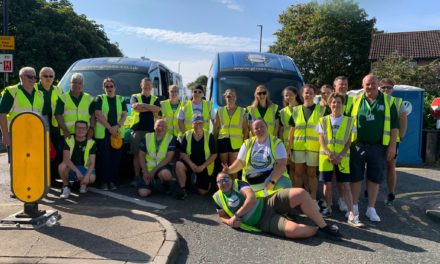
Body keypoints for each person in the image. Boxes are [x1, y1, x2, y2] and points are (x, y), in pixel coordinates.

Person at [213, 172, 342, 240]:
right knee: (295, 231)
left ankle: (324, 227)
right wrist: (229, 222)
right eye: (220, 181)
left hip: (268, 201)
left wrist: (236, 215)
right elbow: (221, 216)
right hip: (263, 221)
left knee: (301, 193)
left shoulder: (238, 183)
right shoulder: (217, 197)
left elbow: (251, 199)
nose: (223, 183)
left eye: (226, 179)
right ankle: (317, 231)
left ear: (231, 179)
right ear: (217, 184)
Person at [350, 74, 399, 222]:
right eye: (367, 84)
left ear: (377, 84)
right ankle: (354, 207)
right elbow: (347, 122)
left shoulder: (388, 101)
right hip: (357, 145)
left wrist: (392, 146)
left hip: (378, 146)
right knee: (356, 177)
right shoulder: (356, 100)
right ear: (363, 85)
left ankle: (371, 209)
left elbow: (395, 126)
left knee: (374, 178)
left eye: (372, 83)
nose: (369, 86)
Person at [0, 67, 49, 198]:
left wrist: (45, 134)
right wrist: (5, 135)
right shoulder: (12, 92)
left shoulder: (40, 94)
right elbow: (2, 114)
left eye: (34, 77)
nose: (33, 80)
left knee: (34, 162)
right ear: (21, 77)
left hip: (35, 136)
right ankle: (17, 189)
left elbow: (43, 116)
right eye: (29, 76)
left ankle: (33, 187)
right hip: (17, 135)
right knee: (18, 163)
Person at [317, 92, 364, 227]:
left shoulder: (349, 121)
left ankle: (352, 214)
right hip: (326, 157)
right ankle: (328, 208)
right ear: (329, 104)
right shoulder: (323, 120)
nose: (335, 104)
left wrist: (341, 155)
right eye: (333, 102)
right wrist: (329, 154)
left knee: (345, 186)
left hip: (342, 158)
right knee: (327, 184)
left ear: (342, 105)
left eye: (338, 102)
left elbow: (349, 140)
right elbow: (321, 139)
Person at [223, 119, 291, 198]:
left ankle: (279, 207)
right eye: (256, 128)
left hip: (270, 179)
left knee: (285, 185)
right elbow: (240, 162)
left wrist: (271, 182)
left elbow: (282, 164)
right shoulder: (247, 143)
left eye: (262, 126)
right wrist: (229, 170)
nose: (260, 129)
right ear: (252, 131)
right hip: (251, 180)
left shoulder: (277, 143)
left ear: (267, 127)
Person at [288, 84, 324, 202]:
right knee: (298, 173)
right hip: (298, 147)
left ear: (314, 95)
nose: (308, 95)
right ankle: (298, 198)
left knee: (312, 174)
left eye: (311, 93)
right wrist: (289, 148)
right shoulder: (296, 110)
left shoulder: (322, 110)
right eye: (306, 92)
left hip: (314, 147)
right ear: (302, 94)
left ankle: (313, 199)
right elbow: (291, 131)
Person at [94, 78, 127, 190]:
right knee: (105, 159)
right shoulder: (99, 98)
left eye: (111, 86)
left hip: (117, 134)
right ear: (104, 88)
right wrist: (109, 128)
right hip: (103, 134)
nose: (109, 88)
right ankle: (104, 182)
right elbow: (98, 114)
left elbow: (124, 115)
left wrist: (117, 126)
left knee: (115, 159)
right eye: (107, 86)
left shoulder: (121, 99)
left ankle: (112, 181)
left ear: (115, 87)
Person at [379, 78, 408, 205]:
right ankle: (370, 190)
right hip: (376, 140)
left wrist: (400, 138)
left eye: (389, 87)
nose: (386, 90)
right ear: (379, 88)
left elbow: (403, 121)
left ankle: (391, 193)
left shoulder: (397, 102)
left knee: (391, 165)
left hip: (392, 140)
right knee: (374, 165)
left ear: (392, 89)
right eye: (384, 87)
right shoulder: (375, 99)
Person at [176, 114, 217, 199]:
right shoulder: (187, 135)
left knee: (203, 192)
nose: (198, 125)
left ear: (203, 124)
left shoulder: (209, 135)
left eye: (200, 123)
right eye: (196, 123)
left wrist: (203, 166)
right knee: (178, 165)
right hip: (191, 163)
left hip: (204, 165)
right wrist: (191, 164)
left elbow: (214, 154)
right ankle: (183, 189)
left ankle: (204, 181)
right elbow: (182, 153)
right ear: (192, 124)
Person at [128, 77, 161, 183]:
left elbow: (157, 109)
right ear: (141, 85)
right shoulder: (135, 96)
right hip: (137, 130)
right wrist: (150, 108)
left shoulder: (155, 98)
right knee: (137, 155)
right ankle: (137, 177)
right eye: (145, 84)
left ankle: (148, 177)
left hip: (152, 131)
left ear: (152, 87)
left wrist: (143, 105)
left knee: (150, 155)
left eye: (149, 85)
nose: (147, 86)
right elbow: (135, 107)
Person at [34, 67, 64, 183]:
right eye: (45, 76)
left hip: (54, 128)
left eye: (51, 76)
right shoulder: (34, 88)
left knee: (54, 154)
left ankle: (51, 178)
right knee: (39, 155)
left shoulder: (58, 90)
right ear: (40, 77)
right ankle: (40, 178)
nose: (48, 78)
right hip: (38, 128)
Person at [213, 88, 248, 179]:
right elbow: (216, 128)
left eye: (232, 96)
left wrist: (245, 144)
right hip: (223, 142)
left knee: (233, 168)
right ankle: (225, 189)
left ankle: (235, 189)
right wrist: (214, 142)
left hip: (236, 143)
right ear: (225, 97)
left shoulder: (242, 111)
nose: (230, 98)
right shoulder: (220, 111)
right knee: (224, 168)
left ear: (235, 98)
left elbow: (245, 129)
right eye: (228, 96)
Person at [138, 119, 176, 197]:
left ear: (167, 128)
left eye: (163, 126)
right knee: (143, 194)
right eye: (158, 125)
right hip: (148, 169)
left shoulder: (171, 138)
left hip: (161, 168)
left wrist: (154, 171)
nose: (160, 128)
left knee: (165, 174)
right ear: (154, 127)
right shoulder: (147, 136)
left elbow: (168, 158)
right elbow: (141, 155)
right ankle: (150, 184)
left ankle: (166, 186)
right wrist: (145, 171)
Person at [59, 120, 97, 198]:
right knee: (61, 167)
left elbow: (92, 163)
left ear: (87, 130)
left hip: (84, 168)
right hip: (72, 168)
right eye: (78, 128)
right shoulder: (69, 139)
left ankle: (83, 184)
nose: (81, 130)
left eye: (83, 128)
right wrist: (76, 171)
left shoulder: (91, 142)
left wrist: (87, 176)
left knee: (92, 178)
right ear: (75, 129)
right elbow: (66, 159)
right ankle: (66, 186)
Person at [332, 76, 353, 212]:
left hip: (347, 143)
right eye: (341, 84)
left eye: (345, 84)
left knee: (344, 175)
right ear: (335, 86)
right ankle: (332, 199)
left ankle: (342, 199)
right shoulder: (330, 100)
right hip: (331, 145)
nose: (343, 86)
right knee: (332, 175)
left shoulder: (353, 100)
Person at [55, 73, 95, 140]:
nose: (77, 85)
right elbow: (58, 115)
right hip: (68, 134)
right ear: (70, 83)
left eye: (79, 83)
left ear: (83, 85)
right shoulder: (63, 98)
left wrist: (91, 129)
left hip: (84, 134)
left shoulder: (89, 98)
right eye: (74, 82)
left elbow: (93, 116)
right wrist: (65, 131)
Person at [278, 86, 301, 182]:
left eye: (290, 94)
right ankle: (293, 187)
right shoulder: (282, 112)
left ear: (295, 94)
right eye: (286, 95)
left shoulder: (302, 108)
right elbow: (281, 129)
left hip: (300, 142)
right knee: (290, 168)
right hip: (287, 144)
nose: (288, 97)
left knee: (299, 169)